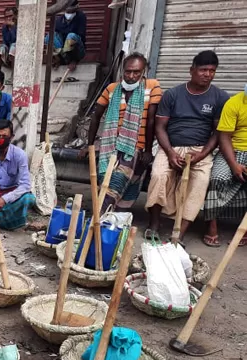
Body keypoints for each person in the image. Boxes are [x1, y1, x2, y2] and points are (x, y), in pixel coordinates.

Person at [146, 50, 228, 243]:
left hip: (200, 150)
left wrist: (202, 154)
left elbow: (217, 132)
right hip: (171, 147)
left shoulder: (219, 97)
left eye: (212, 70)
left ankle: (178, 234)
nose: (207, 74)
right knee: (159, 175)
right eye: (203, 70)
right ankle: (154, 224)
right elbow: (160, 127)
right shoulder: (173, 94)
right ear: (192, 70)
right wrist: (170, 153)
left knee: (200, 183)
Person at [88, 52, 161, 210]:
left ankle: (103, 218)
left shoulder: (152, 86)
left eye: (136, 72)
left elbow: (151, 121)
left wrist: (148, 150)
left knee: (117, 182)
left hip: (135, 148)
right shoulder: (112, 89)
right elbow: (96, 117)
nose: (132, 76)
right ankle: (105, 219)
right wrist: (90, 146)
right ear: (122, 71)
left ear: (143, 72)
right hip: (110, 146)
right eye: (128, 71)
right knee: (105, 181)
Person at [202, 84, 247, 246]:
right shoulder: (234, 103)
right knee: (217, 178)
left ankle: (244, 227)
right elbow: (224, 137)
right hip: (232, 151)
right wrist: (234, 164)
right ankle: (211, 223)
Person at [51, 0, 87, 70]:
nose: (69, 13)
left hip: (78, 50)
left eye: (71, 10)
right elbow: (56, 38)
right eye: (67, 11)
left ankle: (73, 60)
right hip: (63, 50)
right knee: (50, 37)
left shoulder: (81, 17)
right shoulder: (59, 20)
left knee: (71, 36)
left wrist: (74, 59)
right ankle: (57, 59)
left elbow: (81, 35)